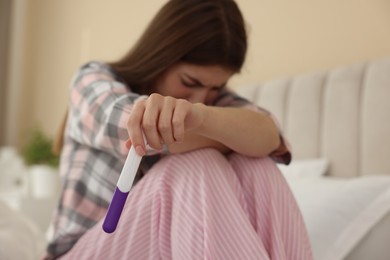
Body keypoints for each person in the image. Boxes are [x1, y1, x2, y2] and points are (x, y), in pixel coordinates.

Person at [44, 0, 313, 259]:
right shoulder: (93, 79)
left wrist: (201, 117)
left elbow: (269, 136)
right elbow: (147, 129)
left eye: (215, 88)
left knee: (256, 164)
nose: (199, 98)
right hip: (84, 249)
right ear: (161, 57)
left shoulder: (211, 101)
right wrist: (223, 135)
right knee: (199, 162)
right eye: (189, 81)